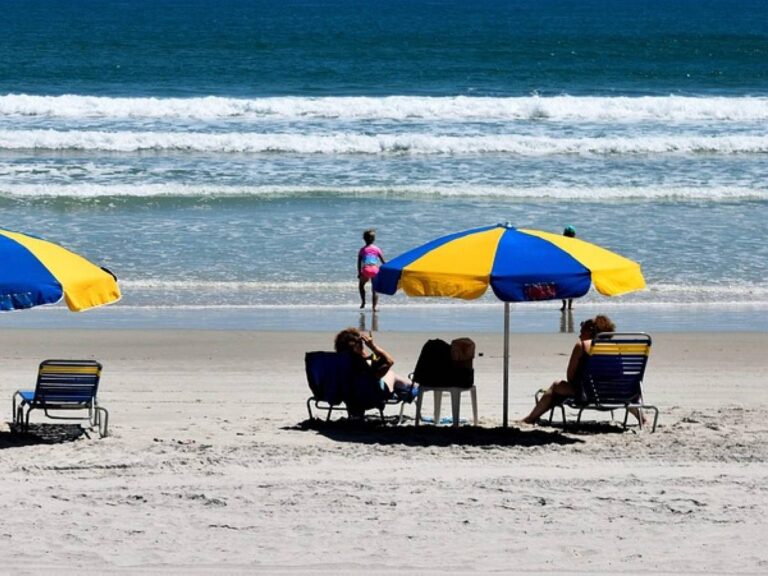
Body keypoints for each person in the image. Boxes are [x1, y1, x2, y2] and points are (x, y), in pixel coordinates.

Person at [522, 314, 647, 427]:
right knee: (621, 388)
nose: (580, 334)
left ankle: (530, 419)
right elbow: (618, 374)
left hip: (590, 395)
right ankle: (643, 419)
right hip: (619, 395)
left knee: (556, 385)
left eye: (583, 330)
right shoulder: (616, 347)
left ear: (591, 331)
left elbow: (570, 377)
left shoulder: (582, 345)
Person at [334, 327, 418, 405]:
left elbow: (375, 359)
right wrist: (373, 346)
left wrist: (364, 354)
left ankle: (413, 386)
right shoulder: (364, 364)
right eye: (361, 343)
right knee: (390, 374)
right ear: (356, 347)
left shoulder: (339, 363)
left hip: (349, 396)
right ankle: (414, 387)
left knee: (389, 375)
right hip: (372, 396)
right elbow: (389, 361)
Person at [357, 229, 385, 310]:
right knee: (375, 290)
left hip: (366, 269)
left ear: (364, 239)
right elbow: (383, 262)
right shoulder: (377, 249)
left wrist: (359, 273)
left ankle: (363, 302)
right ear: (374, 239)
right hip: (375, 270)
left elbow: (359, 262)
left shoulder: (362, 250)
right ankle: (374, 307)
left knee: (361, 286)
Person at [560, 225, 576, 311]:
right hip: (572, 267)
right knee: (572, 286)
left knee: (562, 285)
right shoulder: (576, 244)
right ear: (574, 235)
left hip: (563, 267)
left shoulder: (560, 243)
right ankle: (569, 305)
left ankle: (564, 304)